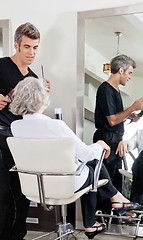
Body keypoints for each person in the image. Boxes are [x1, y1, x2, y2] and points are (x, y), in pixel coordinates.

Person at [9, 77, 140, 239]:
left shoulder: (16, 127)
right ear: (40, 99)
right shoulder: (56, 125)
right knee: (93, 165)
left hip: (35, 185)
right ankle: (105, 209)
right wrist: (100, 144)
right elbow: (85, 154)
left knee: (90, 165)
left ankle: (110, 205)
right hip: (64, 184)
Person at [0, 23, 50, 240]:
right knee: (1, 197)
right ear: (16, 45)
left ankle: (17, 237)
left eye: (35, 47)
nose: (31, 53)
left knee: (22, 194)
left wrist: (43, 96)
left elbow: (34, 113)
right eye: (27, 47)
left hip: (22, 140)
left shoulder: (33, 77)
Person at [93, 54, 143, 193]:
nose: (130, 77)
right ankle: (102, 214)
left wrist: (129, 115)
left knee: (115, 184)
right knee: (107, 184)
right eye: (129, 73)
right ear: (121, 70)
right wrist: (132, 107)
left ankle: (112, 213)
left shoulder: (116, 91)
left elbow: (114, 117)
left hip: (114, 141)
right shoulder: (105, 90)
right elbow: (112, 120)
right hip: (106, 141)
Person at [116, 129, 143, 204]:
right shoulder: (140, 132)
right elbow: (131, 143)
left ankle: (136, 204)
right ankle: (136, 206)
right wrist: (125, 143)